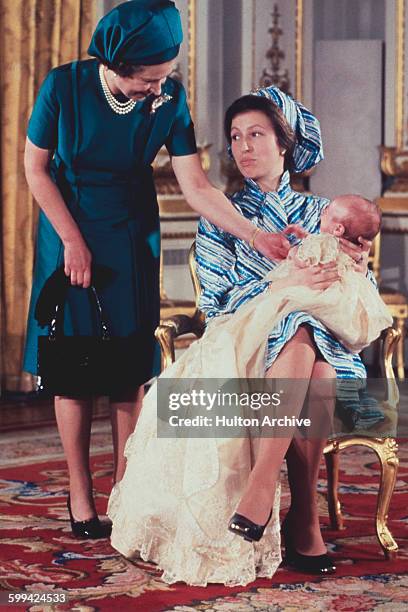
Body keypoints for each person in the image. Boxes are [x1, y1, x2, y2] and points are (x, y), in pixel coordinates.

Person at [22, 1, 296, 540]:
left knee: (129, 370)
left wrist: (256, 235)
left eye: (165, 76)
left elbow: (196, 186)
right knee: (73, 371)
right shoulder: (63, 87)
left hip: (130, 234)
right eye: (150, 78)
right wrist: (71, 241)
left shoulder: (169, 96)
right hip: (68, 226)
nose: (160, 88)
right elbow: (34, 168)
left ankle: (125, 494)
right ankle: (81, 496)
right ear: (119, 65)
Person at [107, 88, 383, 585]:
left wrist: (355, 267)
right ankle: (295, 510)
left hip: (321, 346)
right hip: (240, 340)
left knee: (311, 341)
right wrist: (288, 285)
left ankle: (278, 496)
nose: (243, 147)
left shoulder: (325, 211)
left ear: (285, 144)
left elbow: (354, 292)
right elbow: (215, 303)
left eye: (256, 134)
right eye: (235, 137)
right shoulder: (221, 217)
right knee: (299, 330)